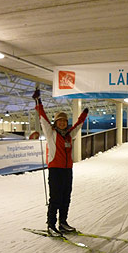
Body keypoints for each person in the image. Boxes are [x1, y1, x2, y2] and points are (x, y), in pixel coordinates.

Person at [32, 89, 88, 236]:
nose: (62, 123)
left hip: (67, 170)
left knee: (66, 197)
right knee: (55, 198)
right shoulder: (51, 133)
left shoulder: (69, 135)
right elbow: (43, 118)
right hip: (55, 170)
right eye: (59, 121)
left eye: (64, 121)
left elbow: (78, 125)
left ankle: (63, 223)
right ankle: (51, 225)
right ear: (56, 122)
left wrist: (84, 114)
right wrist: (38, 102)